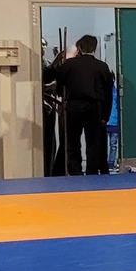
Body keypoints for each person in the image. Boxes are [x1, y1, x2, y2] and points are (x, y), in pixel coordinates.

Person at [52, 35, 115, 175]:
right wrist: (105, 115)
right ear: (94, 48)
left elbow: (59, 85)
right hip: (94, 107)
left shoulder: (69, 65)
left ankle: (75, 172)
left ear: (79, 48)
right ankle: (92, 172)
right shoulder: (102, 67)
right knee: (93, 143)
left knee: (72, 142)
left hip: (73, 106)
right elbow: (108, 93)